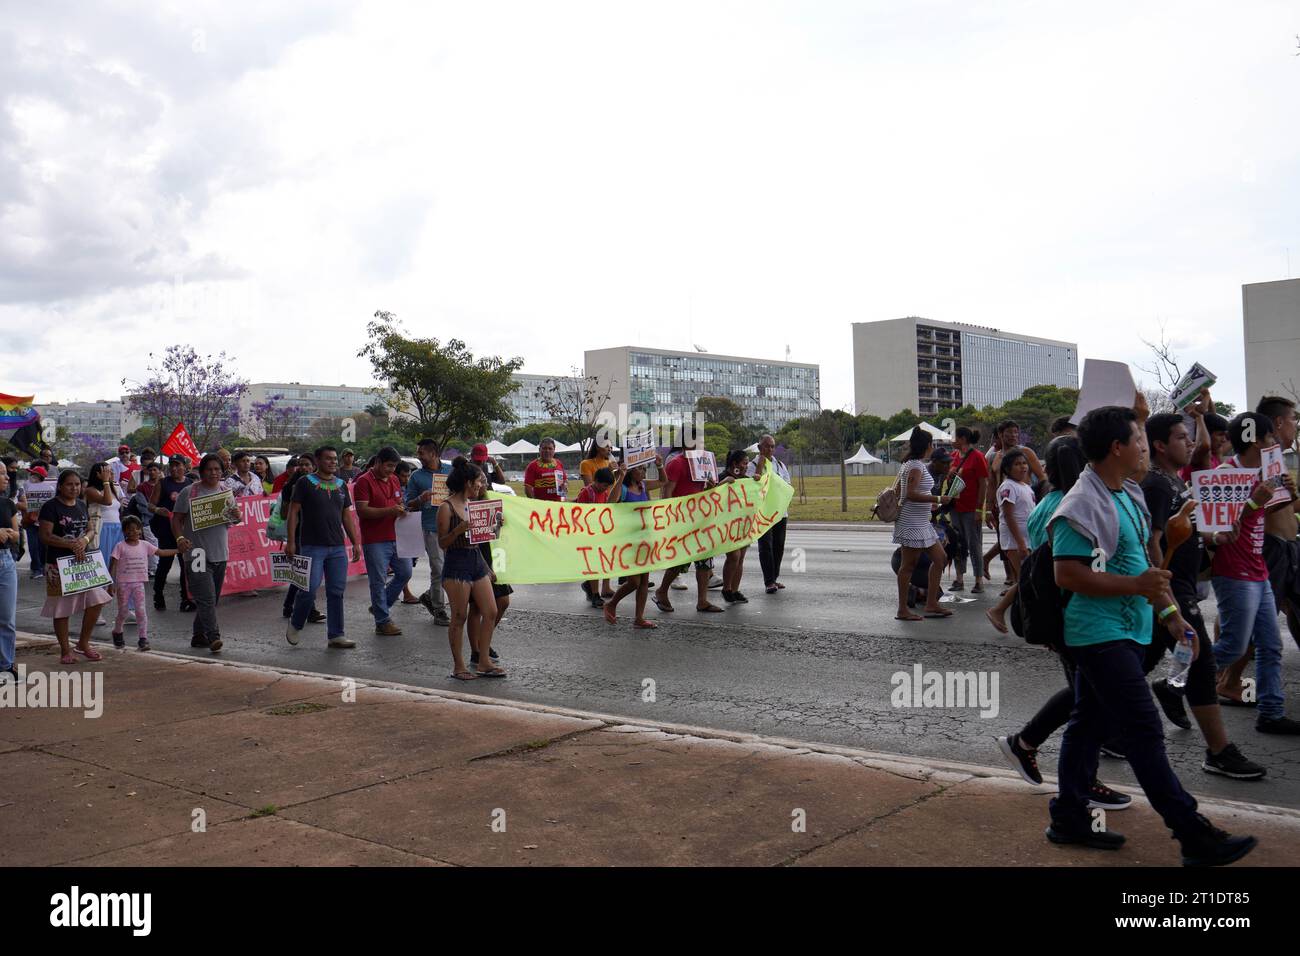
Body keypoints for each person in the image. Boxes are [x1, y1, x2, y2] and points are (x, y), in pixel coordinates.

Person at [1044, 405, 1256, 865]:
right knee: (1143, 728)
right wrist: (1136, 587)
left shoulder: (1128, 493)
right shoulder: (1081, 503)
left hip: (1131, 627)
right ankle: (1192, 834)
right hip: (1097, 634)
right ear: (1116, 448)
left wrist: (1171, 615)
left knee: (1087, 724)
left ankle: (1068, 817)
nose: (1144, 447)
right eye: (1138, 439)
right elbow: (1068, 574)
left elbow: (1144, 564)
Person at [1139, 412, 1267, 776]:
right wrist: (1166, 600)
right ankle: (1219, 751)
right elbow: (1154, 540)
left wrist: (1212, 538)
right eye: (1182, 437)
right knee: (1201, 663)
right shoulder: (1158, 486)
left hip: (1176, 587)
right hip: (1172, 589)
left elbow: (1185, 531)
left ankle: (1101, 730)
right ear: (1161, 445)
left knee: (1133, 666)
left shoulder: (1175, 482)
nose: (1190, 443)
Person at [1206, 413, 1300, 733]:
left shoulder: (1264, 473)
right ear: (1257, 441)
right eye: (1271, 438)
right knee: (1233, 646)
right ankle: (1176, 679)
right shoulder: (1224, 474)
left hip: (1257, 569)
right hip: (1233, 572)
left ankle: (1271, 712)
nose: (1275, 444)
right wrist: (1253, 503)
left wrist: (1289, 493)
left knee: (1270, 646)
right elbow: (1217, 528)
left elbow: (1268, 511)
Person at [285, 446, 363, 649]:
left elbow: (347, 515)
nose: (333, 462)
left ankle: (336, 634)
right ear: (318, 461)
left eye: (334, 459)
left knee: (336, 591)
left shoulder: (340, 485)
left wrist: (355, 542)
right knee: (309, 590)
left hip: (337, 548)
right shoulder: (304, 483)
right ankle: (296, 622)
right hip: (311, 546)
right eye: (328, 459)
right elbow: (293, 513)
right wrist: (291, 541)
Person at [39, 470, 112, 665]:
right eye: (70, 484)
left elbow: (90, 528)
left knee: (97, 600)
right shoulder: (50, 506)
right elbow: (45, 536)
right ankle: (65, 650)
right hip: (58, 563)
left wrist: (84, 540)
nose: (74, 488)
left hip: (83, 561)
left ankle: (83, 643)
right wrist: (70, 544)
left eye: (78, 484)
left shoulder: (81, 504)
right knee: (62, 609)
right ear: (61, 486)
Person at [438, 458, 502, 680]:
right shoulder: (446, 508)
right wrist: (459, 530)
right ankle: (459, 666)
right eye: (477, 482)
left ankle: (483, 661)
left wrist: (495, 527)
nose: (480, 486)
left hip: (476, 561)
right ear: (467, 482)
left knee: (491, 611)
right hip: (456, 564)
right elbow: (442, 543)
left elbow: (479, 540)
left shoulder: (473, 505)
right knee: (459, 616)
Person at [173, 454, 240, 654]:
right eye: (209, 469)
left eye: (217, 469)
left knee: (210, 599)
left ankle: (198, 635)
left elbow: (233, 519)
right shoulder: (189, 492)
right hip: (197, 554)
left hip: (220, 553)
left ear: (222, 472)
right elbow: (176, 520)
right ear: (202, 471)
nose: (213, 473)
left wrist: (237, 516)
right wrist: (179, 539)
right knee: (207, 599)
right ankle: (214, 636)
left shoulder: (226, 492)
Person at [653, 439, 723, 614]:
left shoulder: (703, 464)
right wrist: (668, 517)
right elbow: (667, 491)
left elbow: (705, 491)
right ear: (686, 445)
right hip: (682, 520)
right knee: (681, 560)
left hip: (701, 519)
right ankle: (662, 591)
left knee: (705, 560)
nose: (701, 448)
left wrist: (711, 487)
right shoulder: (676, 464)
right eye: (697, 444)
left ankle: (702, 601)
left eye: (702, 444)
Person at [892, 426, 955, 621]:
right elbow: (909, 494)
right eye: (932, 444)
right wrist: (936, 500)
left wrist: (930, 505)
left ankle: (931, 603)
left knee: (940, 558)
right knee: (908, 566)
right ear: (928, 446)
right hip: (912, 523)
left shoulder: (910, 464)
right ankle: (903, 609)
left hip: (920, 522)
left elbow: (900, 492)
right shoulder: (916, 466)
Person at [354, 446, 412, 636]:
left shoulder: (395, 479)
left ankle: (381, 606)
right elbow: (362, 511)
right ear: (377, 462)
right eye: (388, 465)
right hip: (375, 539)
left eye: (394, 466)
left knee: (405, 572)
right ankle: (382, 621)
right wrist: (391, 511)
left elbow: (398, 503)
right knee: (378, 580)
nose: (391, 470)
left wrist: (402, 509)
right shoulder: (363, 481)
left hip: (396, 535)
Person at [601, 457, 664, 629]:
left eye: (644, 468)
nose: (643, 472)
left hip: (645, 538)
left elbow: (663, 481)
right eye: (640, 469)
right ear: (630, 471)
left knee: (644, 581)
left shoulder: (643, 485)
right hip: (628, 540)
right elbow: (610, 503)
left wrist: (659, 465)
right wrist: (620, 476)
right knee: (634, 582)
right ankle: (612, 604)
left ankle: (639, 618)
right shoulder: (623, 488)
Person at [109, 515, 182, 652]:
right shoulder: (120, 546)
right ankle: (117, 631)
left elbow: (161, 552)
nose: (135, 532)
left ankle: (143, 639)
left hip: (138, 583)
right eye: (130, 530)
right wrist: (111, 583)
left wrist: (178, 550)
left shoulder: (145, 545)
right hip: (123, 584)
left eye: (137, 529)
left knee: (141, 611)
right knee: (123, 611)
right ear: (124, 531)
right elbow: (113, 563)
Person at [984, 450, 1033, 633]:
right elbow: (1009, 516)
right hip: (1015, 541)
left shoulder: (1025, 486)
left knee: (1027, 580)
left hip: (1027, 539)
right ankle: (998, 610)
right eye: (1017, 464)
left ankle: (1022, 618)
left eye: (1024, 463)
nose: (1023, 467)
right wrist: (1020, 542)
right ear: (1007, 469)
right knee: (1025, 580)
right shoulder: (1008, 487)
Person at [406, 439, 453, 627]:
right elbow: (408, 503)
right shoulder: (416, 477)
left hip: (452, 526)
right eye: (418, 453)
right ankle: (439, 609)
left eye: (421, 453)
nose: (419, 456)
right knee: (438, 569)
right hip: (431, 528)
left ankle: (429, 596)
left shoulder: (450, 471)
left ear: (433, 453)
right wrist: (420, 499)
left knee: (452, 568)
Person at [468, 469, 511, 668]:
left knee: (502, 601)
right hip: (476, 558)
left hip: (493, 556)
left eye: (485, 482)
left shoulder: (491, 502)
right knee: (477, 607)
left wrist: (499, 524)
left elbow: (493, 535)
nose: (482, 486)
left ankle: (483, 643)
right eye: (479, 482)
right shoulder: (466, 504)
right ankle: (476, 651)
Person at [279, 462, 324, 624]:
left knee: (301, 572)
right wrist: (292, 499)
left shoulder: (322, 485)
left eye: (308, 465)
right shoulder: (289, 487)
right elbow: (285, 515)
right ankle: (309, 610)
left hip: (314, 534)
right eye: (301, 465)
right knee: (305, 572)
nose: (305, 468)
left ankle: (288, 605)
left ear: (314, 467)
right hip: (298, 534)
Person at [149, 456, 196, 612]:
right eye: (172, 466)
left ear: (185, 467)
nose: (174, 469)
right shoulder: (163, 483)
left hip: (185, 530)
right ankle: (158, 594)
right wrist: (157, 510)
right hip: (166, 529)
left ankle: (186, 597)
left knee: (185, 563)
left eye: (178, 465)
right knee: (165, 563)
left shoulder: (190, 484)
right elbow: (150, 505)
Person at [747, 435, 792, 594]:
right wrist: (760, 466)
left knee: (778, 546)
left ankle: (775, 577)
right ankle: (769, 581)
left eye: (772, 446)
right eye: (767, 446)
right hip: (762, 513)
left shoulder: (779, 465)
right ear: (759, 448)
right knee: (765, 546)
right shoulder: (752, 465)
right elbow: (752, 487)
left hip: (779, 513)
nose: (770, 450)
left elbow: (787, 485)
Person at [949, 427, 989, 593]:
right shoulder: (953, 457)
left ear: (963, 439)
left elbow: (983, 484)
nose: (953, 441)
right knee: (957, 543)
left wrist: (980, 509)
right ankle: (959, 578)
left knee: (974, 544)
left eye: (955, 438)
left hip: (971, 508)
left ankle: (979, 580)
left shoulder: (977, 457)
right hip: (955, 506)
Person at [575, 464, 620, 607]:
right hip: (589, 533)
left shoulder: (605, 493)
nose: (605, 489)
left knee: (604, 561)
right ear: (596, 481)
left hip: (601, 532)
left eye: (608, 486)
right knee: (593, 563)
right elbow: (580, 513)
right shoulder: (587, 493)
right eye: (604, 485)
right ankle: (595, 594)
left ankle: (591, 586)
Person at [719, 450, 752, 604]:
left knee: (741, 558)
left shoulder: (746, 479)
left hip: (742, 524)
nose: (747, 466)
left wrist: (757, 482)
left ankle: (734, 589)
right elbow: (711, 494)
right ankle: (726, 589)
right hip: (726, 524)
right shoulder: (722, 476)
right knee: (734, 556)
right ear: (735, 464)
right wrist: (724, 483)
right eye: (744, 463)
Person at [0, 462, 20, 685]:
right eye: (2, 473)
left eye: (7, 473)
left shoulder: (7, 504)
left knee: (6, 618)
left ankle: (5, 665)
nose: (7, 477)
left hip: (5, 561)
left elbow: (17, 534)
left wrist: (8, 534)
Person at [21, 464, 57, 581]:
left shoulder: (50, 489)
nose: (31, 476)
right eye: (31, 474)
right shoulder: (25, 486)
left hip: (43, 522)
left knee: (43, 546)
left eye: (34, 474)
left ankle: (42, 566)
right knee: (33, 546)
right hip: (31, 521)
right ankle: (37, 569)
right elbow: (22, 504)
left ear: (40, 477)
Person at [395, 461, 422, 605]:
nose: (406, 479)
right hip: (398, 527)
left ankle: (397, 590)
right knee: (403, 563)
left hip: (410, 526)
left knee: (409, 561)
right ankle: (405, 592)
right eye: (403, 476)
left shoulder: (409, 487)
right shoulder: (393, 487)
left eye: (408, 476)